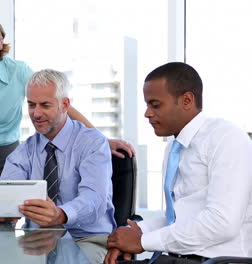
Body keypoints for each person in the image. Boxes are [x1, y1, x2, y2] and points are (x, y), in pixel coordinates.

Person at [0, 15, 135, 180]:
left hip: (8, 153)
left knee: (5, 214)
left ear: (1, 42)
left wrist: (101, 140)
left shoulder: (19, 71)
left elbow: (58, 103)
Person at [105, 62, 252, 264]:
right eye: (147, 105)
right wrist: (135, 232)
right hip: (180, 258)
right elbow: (179, 218)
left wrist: (143, 241)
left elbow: (222, 223)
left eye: (155, 105)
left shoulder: (226, 138)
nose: (147, 113)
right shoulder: (175, 148)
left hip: (215, 260)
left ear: (187, 100)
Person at [0, 69, 116, 263]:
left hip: (87, 239)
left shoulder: (92, 143)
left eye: (45, 105)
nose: (36, 113)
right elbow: (8, 194)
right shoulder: (23, 152)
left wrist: (60, 214)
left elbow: (95, 199)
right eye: (31, 105)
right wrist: (4, 211)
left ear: (64, 105)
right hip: (38, 241)